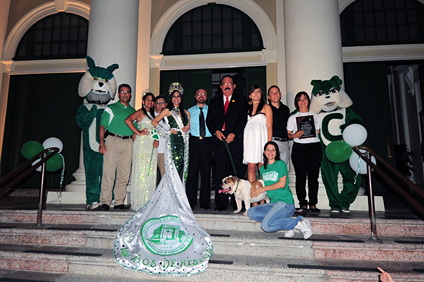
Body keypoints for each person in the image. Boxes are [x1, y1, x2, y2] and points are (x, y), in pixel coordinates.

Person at [247, 141, 312, 239]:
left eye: (273, 150)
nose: (270, 152)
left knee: (266, 226)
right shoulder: (263, 169)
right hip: (273, 204)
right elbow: (264, 186)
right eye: (268, 150)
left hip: (285, 203)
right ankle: (287, 224)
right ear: (264, 152)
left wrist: (263, 189)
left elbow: (282, 184)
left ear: (276, 152)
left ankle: (298, 222)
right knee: (251, 212)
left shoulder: (280, 164)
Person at [206, 75, 247, 211]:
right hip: (219, 143)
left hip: (235, 143)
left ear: (234, 86)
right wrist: (216, 131)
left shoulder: (241, 100)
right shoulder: (214, 102)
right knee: (220, 174)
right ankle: (221, 203)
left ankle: (238, 203)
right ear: (221, 86)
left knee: (237, 173)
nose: (227, 86)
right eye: (224, 84)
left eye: (230, 83)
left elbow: (242, 119)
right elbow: (209, 121)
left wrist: (234, 133)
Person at [96, 84, 136, 211]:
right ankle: (105, 202)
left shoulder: (133, 111)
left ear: (130, 95)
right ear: (118, 94)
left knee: (124, 174)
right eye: (122, 92)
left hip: (128, 142)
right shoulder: (111, 108)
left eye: (127, 92)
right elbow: (102, 126)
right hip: (113, 141)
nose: (125, 94)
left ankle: (119, 201)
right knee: (108, 172)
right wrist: (101, 143)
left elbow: (135, 130)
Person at [287, 91, 322, 214]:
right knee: (300, 177)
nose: (303, 101)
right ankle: (303, 203)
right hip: (299, 149)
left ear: (308, 100)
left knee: (314, 177)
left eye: (305, 98)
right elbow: (288, 134)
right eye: (300, 99)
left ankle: (313, 203)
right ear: (296, 102)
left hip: (314, 148)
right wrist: (295, 135)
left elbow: (317, 130)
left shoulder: (315, 116)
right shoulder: (292, 117)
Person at [124, 92, 159, 211]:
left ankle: (149, 201)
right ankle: (139, 202)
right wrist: (138, 132)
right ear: (143, 101)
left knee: (150, 172)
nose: (150, 102)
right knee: (141, 172)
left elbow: (155, 130)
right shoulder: (140, 112)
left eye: (152, 100)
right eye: (148, 100)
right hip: (141, 144)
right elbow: (128, 120)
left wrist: (156, 140)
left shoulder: (153, 114)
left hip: (151, 145)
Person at [152, 83, 190, 182]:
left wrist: (186, 129)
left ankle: (177, 192)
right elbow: (154, 122)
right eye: (174, 96)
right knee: (172, 168)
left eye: (178, 96)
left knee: (179, 168)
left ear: (181, 98)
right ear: (171, 98)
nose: (176, 98)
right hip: (173, 141)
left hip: (183, 143)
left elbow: (187, 128)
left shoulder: (187, 113)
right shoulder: (167, 111)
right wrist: (167, 131)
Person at [186, 88, 213, 210]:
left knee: (206, 173)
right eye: (199, 94)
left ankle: (205, 202)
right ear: (195, 96)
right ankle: (190, 201)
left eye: (204, 94)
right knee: (192, 173)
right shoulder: (189, 111)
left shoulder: (212, 110)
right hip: (194, 142)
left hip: (208, 142)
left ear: (206, 97)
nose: (201, 96)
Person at [243, 85, 273, 182]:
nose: (256, 94)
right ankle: (253, 194)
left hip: (262, 139)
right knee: (251, 167)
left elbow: (269, 126)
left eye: (258, 91)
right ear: (250, 95)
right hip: (249, 140)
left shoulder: (266, 107)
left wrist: (269, 144)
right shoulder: (246, 108)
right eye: (254, 92)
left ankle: (262, 194)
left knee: (262, 167)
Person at [267, 85, 291, 168]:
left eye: (277, 92)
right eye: (272, 93)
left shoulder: (286, 109)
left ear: (280, 94)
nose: (275, 94)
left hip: (285, 143)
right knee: (272, 169)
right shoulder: (266, 108)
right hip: (273, 141)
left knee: (283, 170)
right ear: (269, 97)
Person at [153, 95, 168, 178]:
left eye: (162, 102)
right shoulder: (150, 116)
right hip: (151, 150)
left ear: (166, 104)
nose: (160, 105)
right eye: (158, 103)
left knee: (164, 176)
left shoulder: (169, 117)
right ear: (154, 105)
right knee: (151, 177)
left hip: (164, 151)